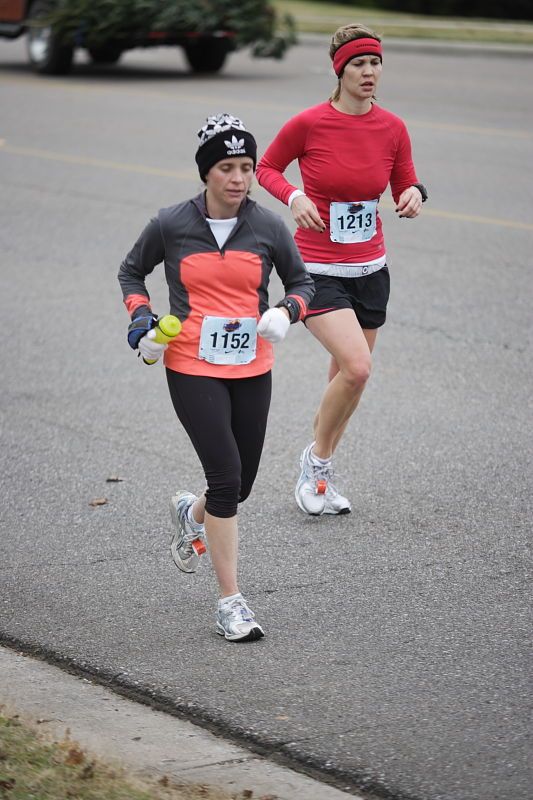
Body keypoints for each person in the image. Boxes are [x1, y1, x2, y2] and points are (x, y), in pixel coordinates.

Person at [118, 113, 314, 642]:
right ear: (206, 173)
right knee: (226, 477)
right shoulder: (171, 223)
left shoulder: (269, 226)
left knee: (240, 484)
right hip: (190, 363)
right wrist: (142, 320)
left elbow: (302, 281)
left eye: (246, 167)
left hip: (252, 366)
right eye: (226, 167)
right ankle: (231, 602)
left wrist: (286, 311)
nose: (238, 178)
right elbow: (131, 272)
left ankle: (192, 511)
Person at [256, 24, 428, 517]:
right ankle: (314, 465)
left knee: (349, 378)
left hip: (371, 267)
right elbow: (267, 167)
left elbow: (406, 183)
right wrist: (295, 196)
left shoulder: (392, 127)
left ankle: (321, 470)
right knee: (357, 367)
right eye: (359, 64)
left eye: (376, 63)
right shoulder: (309, 123)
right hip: (314, 270)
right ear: (340, 70)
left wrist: (414, 195)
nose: (370, 72)